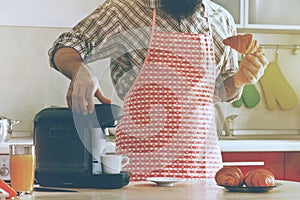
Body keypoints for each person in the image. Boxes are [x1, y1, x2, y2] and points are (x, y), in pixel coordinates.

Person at [48, 0, 268, 181]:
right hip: (141, 168)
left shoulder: (221, 19)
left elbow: (220, 91)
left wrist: (239, 80)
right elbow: (67, 45)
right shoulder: (123, 10)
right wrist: (79, 71)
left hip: (202, 169)